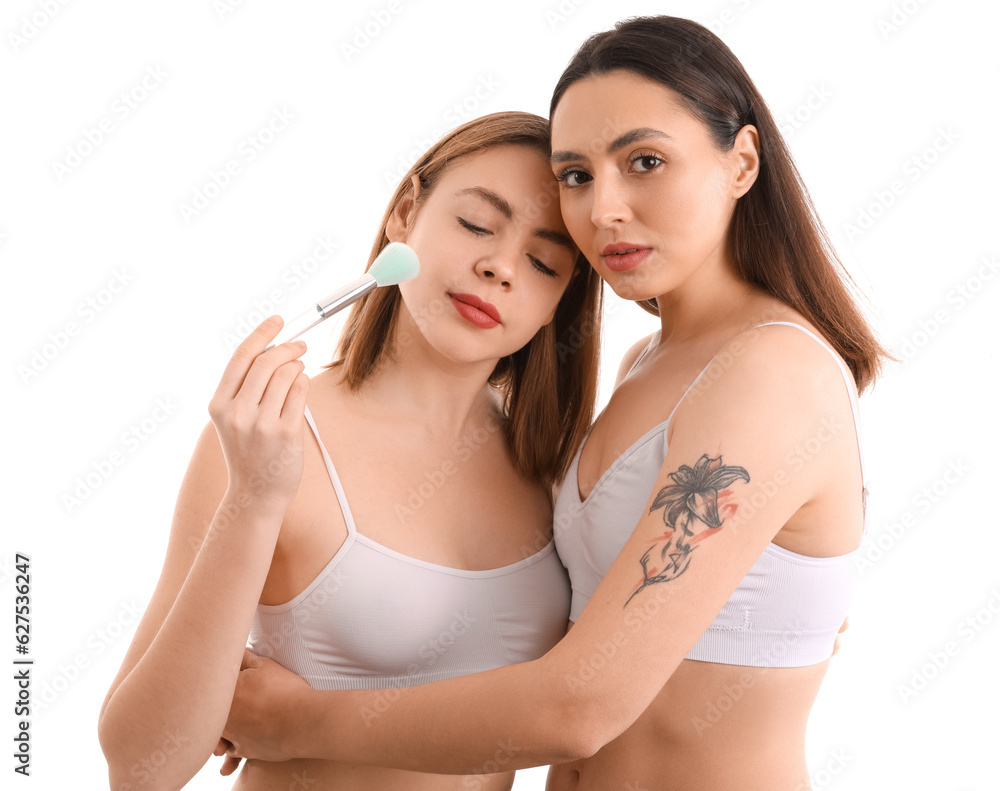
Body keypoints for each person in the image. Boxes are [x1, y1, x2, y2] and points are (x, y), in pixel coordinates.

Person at [217, 15, 892, 790]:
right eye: (577, 174)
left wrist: (299, 721)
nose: (603, 208)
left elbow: (582, 704)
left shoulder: (772, 372)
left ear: (741, 161)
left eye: (644, 161)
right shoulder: (649, 362)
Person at [97, 110, 603, 791]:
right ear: (404, 214)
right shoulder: (275, 437)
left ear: (557, 302)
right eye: (477, 225)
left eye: (543, 261)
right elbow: (140, 766)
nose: (500, 266)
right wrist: (252, 499)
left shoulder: (556, 465)